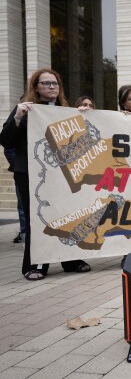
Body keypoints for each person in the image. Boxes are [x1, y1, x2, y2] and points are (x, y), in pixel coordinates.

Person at [0, 68, 91, 280]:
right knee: (38, 218)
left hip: (61, 175)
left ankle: (71, 259)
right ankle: (36, 265)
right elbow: (6, 141)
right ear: (36, 87)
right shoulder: (25, 109)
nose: (51, 87)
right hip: (32, 175)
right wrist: (18, 118)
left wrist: (86, 117)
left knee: (68, 214)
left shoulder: (66, 111)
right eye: (46, 83)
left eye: (55, 84)